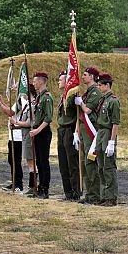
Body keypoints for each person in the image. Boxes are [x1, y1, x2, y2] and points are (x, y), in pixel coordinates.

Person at [74, 67, 103, 204]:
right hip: (84, 129)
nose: (83, 77)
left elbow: (87, 109)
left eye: (85, 75)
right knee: (84, 163)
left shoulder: (95, 92)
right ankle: (89, 192)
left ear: (92, 76)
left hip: (91, 130)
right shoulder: (88, 92)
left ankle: (95, 194)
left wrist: (81, 103)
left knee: (90, 162)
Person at [95, 73, 120, 207]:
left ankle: (111, 197)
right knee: (101, 166)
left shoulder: (113, 101)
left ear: (107, 85)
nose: (98, 87)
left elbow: (115, 123)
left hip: (108, 132)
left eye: (100, 85)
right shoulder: (103, 99)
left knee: (109, 166)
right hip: (101, 133)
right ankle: (104, 195)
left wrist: (111, 141)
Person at [9, 83, 38, 195]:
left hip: (29, 135)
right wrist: (16, 126)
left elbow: (30, 123)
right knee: (29, 161)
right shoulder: (28, 104)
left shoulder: (33, 104)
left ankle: (33, 186)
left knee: (31, 162)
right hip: (25, 135)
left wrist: (15, 122)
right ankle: (32, 186)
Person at [0, 91, 23, 193]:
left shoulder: (21, 99)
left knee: (15, 161)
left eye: (15, 85)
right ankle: (15, 182)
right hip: (13, 136)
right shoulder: (18, 99)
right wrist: (3, 103)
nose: (13, 87)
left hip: (18, 136)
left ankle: (18, 184)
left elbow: (11, 113)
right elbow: (11, 110)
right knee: (12, 160)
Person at [29, 71, 53, 199]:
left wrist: (38, 130)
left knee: (43, 160)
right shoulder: (39, 97)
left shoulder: (47, 97)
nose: (34, 83)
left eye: (35, 81)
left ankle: (45, 188)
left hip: (43, 132)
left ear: (41, 81)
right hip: (37, 131)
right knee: (38, 160)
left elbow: (48, 118)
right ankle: (39, 187)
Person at [57, 70, 80, 200]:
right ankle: (68, 192)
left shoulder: (72, 96)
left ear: (67, 81)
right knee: (63, 163)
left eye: (60, 80)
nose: (58, 82)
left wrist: (76, 132)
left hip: (70, 130)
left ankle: (76, 191)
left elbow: (77, 113)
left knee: (72, 163)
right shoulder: (63, 96)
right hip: (61, 129)